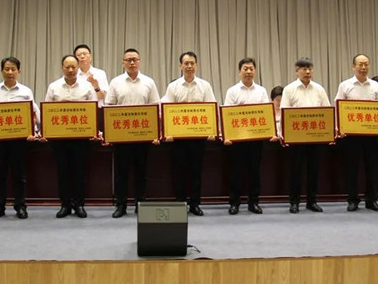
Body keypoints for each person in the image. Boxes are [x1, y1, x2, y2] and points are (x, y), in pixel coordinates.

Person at [0, 57, 38, 220]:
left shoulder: (25, 91)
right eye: (7, 69)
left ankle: (20, 206)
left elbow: (33, 114)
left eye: (13, 69)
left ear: (19, 71)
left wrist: (34, 131)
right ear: (2, 71)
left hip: (19, 141)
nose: (10, 72)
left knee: (19, 175)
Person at [105, 48, 161, 218]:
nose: (131, 63)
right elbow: (109, 107)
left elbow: (155, 108)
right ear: (123, 63)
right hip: (122, 138)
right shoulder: (115, 82)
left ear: (139, 62)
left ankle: (140, 204)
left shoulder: (149, 82)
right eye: (128, 60)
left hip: (143, 137)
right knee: (121, 173)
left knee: (141, 172)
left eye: (135, 59)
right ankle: (121, 205)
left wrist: (155, 133)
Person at [162, 51, 217, 216]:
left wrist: (212, 131)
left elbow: (211, 108)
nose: (189, 66)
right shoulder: (173, 86)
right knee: (178, 171)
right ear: (180, 66)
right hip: (178, 138)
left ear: (196, 65)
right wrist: (167, 132)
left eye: (192, 63)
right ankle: (180, 203)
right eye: (186, 63)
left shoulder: (205, 86)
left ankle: (195, 204)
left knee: (196, 171)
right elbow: (166, 111)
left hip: (198, 138)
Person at [44, 55, 97, 218]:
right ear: (62, 68)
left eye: (74, 67)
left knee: (80, 172)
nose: (71, 70)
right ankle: (65, 205)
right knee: (63, 172)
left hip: (81, 139)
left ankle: (79, 204)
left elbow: (93, 110)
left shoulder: (87, 86)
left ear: (78, 68)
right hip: (59, 139)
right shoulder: (54, 87)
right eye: (67, 67)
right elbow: (47, 111)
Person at [334, 54, 378, 212]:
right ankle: (352, 200)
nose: (363, 67)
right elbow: (338, 107)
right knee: (352, 168)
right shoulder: (345, 85)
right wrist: (339, 128)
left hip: (371, 135)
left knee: (372, 168)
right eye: (360, 64)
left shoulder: (375, 85)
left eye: (366, 64)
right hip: (351, 135)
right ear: (353, 67)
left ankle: (371, 200)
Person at [223, 58, 273, 215]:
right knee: (236, 171)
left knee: (255, 171)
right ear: (239, 72)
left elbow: (266, 114)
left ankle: (254, 202)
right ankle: (234, 203)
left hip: (256, 139)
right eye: (245, 69)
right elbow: (227, 115)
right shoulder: (232, 91)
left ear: (255, 71)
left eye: (251, 69)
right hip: (238, 140)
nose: (249, 72)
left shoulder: (261, 91)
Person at [281, 57, 331, 213]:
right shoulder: (289, 89)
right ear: (297, 71)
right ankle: (294, 202)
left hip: (315, 137)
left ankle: (312, 201)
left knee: (313, 171)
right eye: (304, 69)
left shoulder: (319, 89)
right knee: (295, 171)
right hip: (296, 139)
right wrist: (284, 135)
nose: (307, 71)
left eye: (310, 68)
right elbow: (284, 113)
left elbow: (327, 111)